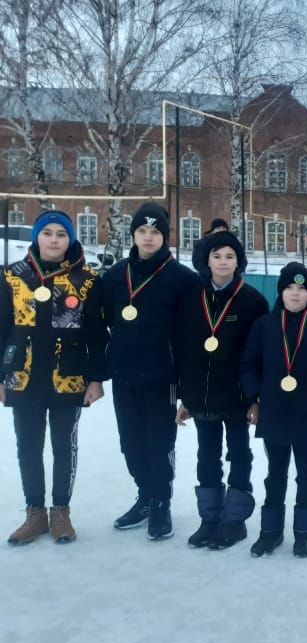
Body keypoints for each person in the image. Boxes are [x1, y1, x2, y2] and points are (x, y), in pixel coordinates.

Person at [2, 211, 107, 545]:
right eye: (46, 233)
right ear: (36, 237)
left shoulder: (87, 279)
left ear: (70, 240)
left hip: (68, 376)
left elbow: (97, 334)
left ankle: (60, 511)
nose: (53, 240)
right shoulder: (11, 276)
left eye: (61, 234)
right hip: (24, 374)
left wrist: (96, 378)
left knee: (64, 445)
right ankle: (35, 513)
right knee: (28, 446)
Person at [103, 203, 199, 540]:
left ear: (165, 237)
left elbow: (191, 335)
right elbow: (99, 322)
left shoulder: (183, 280)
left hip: (164, 378)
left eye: (155, 231)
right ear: (133, 235)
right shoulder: (115, 276)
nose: (148, 237)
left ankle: (161, 501)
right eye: (142, 231)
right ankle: (144, 495)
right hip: (125, 374)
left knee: (160, 441)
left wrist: (186, 383)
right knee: (130, 442)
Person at [174, 230, 269, 549]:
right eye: (217, 256)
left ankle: (234, 520)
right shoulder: (190, 298)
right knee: (207, 455)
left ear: (238, 261)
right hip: (201, 394)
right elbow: (184, 348)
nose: (223, 262)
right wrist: (185, 395)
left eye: (230, 256)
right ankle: (209, 518)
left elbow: (260, 354)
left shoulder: (253, 301)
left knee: (239, 454)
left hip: (238, 396)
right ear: (207, 260)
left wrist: (255, 397)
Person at [240, 263, 307, 558]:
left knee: (306, 475)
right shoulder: (264, 325)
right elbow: (248, 364)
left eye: (302, 288)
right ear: (280, 292)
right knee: (274, 474)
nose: (295, 294)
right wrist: (256, 396)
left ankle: (304, 534)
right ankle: (270, 532)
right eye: (289, 288)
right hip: (273, 413)